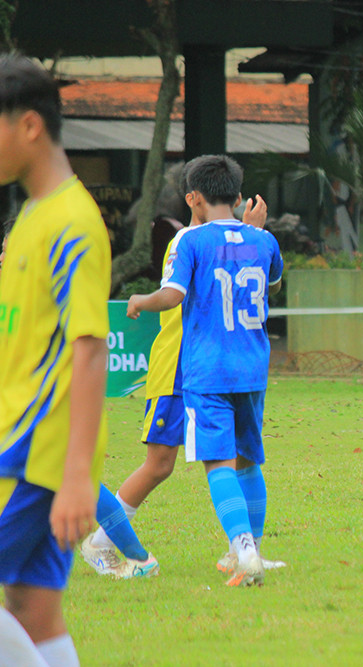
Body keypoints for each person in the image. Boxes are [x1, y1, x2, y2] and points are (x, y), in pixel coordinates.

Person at [81, 177, 281, 578]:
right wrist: (253, 233)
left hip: (206, 364)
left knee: (237, 458)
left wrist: (249, 234)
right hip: (178, 364)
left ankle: (242, 551)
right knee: (160, 463)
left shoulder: (208, 239)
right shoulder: (185, 241)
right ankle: (102, 540)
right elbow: (184, 288)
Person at [0, 53, 111, 667]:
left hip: (34, 452)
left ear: (29, 126)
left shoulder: (71, 223)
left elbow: (89, 349)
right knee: (35, 611)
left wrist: (75, 476)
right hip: (21, 441)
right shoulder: (33, 215)